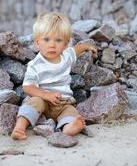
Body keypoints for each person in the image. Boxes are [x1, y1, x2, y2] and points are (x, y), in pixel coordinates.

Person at [11, 12, 97, 140]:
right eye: (46, 39)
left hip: (63, 103)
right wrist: (46, 95)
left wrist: (87, 47)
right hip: (43, 101)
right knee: (34, 102)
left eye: (58, 40)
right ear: (37, 42)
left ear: (65, 44)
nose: (52, 45)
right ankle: (19, 128)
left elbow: (76, 50)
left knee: (71, 112)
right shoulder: (35, 65)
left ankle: (69, 128)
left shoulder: (66, 56)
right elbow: (28, 88)